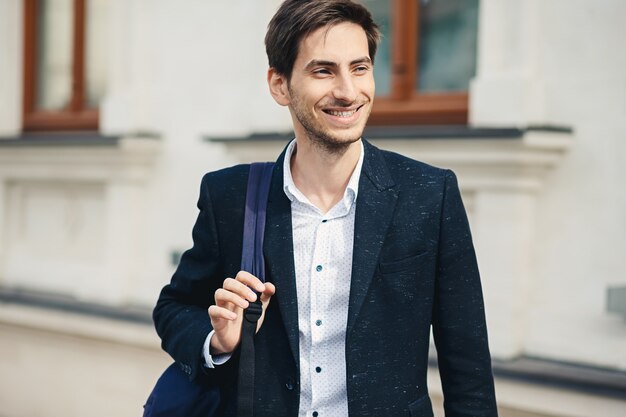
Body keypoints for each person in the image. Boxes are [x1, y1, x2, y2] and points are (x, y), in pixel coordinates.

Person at [153, 0, 498, 416]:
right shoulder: (230, 196)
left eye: (360, 68)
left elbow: (468, 370)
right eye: (323, 70)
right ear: (280, 85)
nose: (349, 92)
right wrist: (218, 342)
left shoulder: (429, 194)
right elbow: (174, 308)